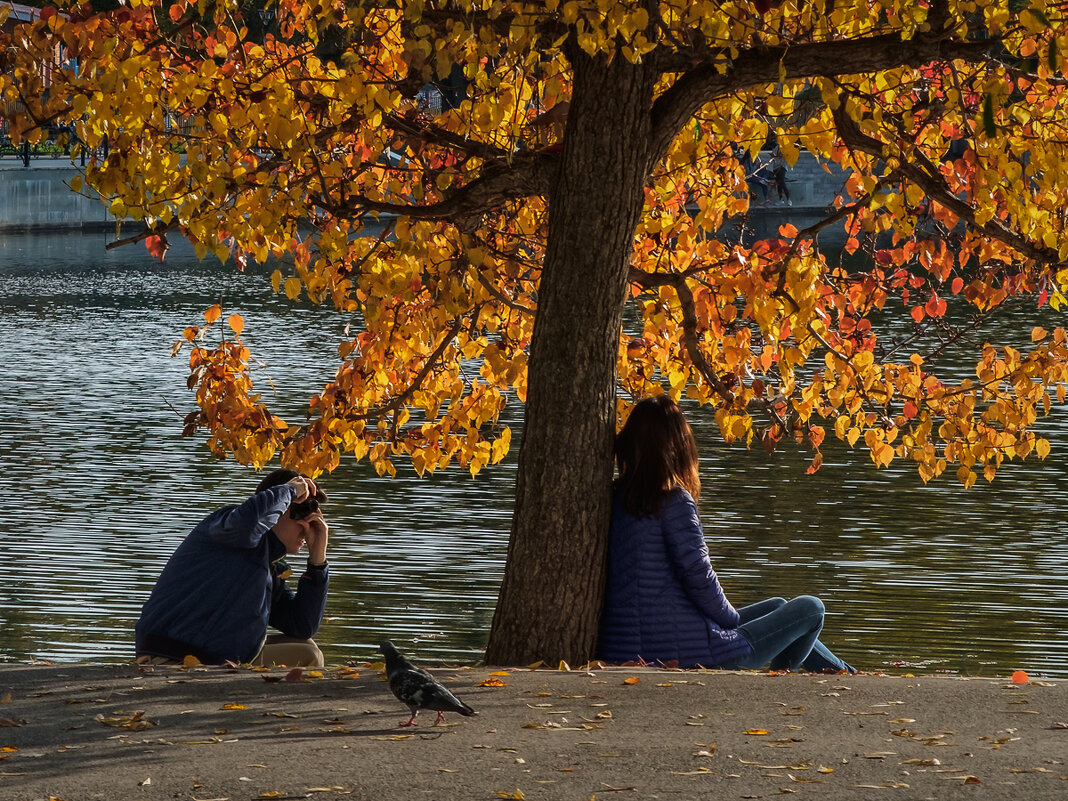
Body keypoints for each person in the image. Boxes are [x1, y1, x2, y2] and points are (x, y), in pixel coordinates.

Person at [597, 396, 855, 673]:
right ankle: (784, 682)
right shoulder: (673, 501)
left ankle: (843, 673)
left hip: (622, 647)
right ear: (677, 446)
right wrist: (730, 619)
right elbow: (699, 577)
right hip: (692, 654)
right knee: (811, 609)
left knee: (778, 606)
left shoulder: (613, 499)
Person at [135, 469, 331, 667]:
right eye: (302, 511)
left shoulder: (268, 566)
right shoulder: (228, 529)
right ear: (276, 511)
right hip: (173, 655)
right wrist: (289, 491)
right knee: (308, 656)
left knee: (304, 644)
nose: (308, 524)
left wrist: (318, 560)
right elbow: (249, 522)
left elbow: (302, 625)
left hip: (207, 655)